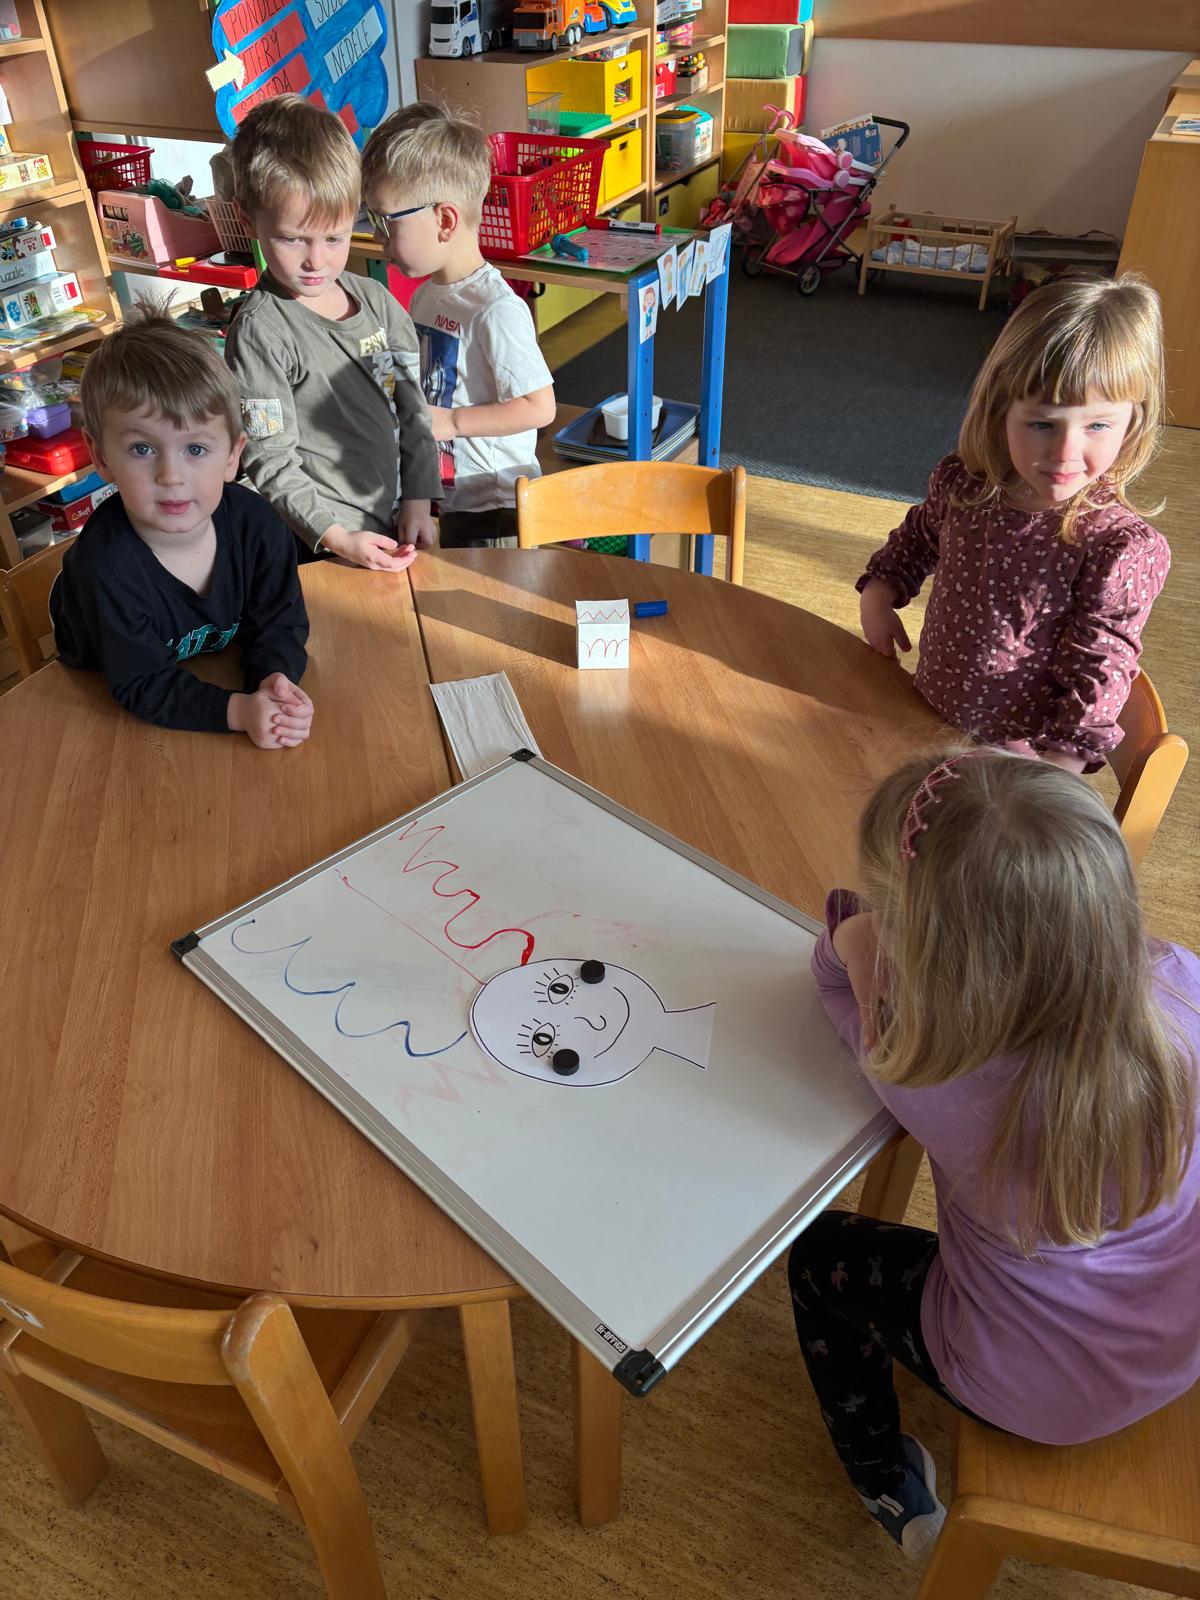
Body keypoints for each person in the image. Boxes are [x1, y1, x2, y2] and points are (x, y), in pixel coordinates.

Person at [788, 748, 1200, 1558]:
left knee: (817, 1256)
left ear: (930, 958)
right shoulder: (1182, 984)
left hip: (1027, 1391)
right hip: (1174, 1346)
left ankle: (886, 1480)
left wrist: (860, 936)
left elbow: (831, 975)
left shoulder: (929, 1068)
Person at [858, 275, 1169, 773]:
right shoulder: (966, 485)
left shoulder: (1117, 547)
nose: (1066, 452)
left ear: (1133, 422)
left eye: (1097, 425)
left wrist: (1060, 765)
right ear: (1001, 411)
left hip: (1020, 766)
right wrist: (879, 591)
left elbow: (1102, 667)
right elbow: (918, 537)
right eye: (1043, 423)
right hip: (925, 715)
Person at [52, 304, 312, 748]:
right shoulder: (104, 567)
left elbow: (280, 622)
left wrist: (274, 680)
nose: (171, 476)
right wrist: (238, 711)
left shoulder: (259, 526)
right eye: (142, 449)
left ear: (233, 455)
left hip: (205, 664)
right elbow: (140, 682)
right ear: (101, 456)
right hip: (99, 690)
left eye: (195, 449)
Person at [224, 94, 441, 571]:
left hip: (395, 525)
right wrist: (337, 538)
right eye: (292, 239)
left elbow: (413, 410)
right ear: (247, 219)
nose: (315, 261)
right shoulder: (261, 333)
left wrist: (418, 498)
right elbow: (270, 459)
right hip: (321, 545)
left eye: (334, 238)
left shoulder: (378, 303)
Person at [362, 103, 556, 548]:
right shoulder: (427, 295)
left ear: (445, 221)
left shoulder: (495, 309)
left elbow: (539, 407)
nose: (376, 236)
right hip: (452, 500)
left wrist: (451, 422)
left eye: (384, 221)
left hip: (498, 511)